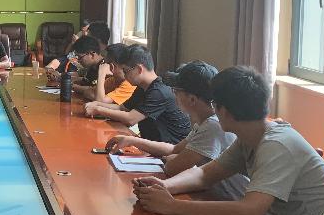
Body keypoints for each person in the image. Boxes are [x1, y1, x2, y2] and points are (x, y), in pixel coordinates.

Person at [132, 66, 324, 215]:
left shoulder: (276, 144)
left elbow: (248, 213)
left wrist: (172, 206)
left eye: (214, 104)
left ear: (223, 111)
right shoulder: (250, 136)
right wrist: (163, 187)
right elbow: (204, 175)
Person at [105, 61, 247, 196]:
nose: (174, 95)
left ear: (192, 99)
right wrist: (132, 141)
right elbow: (175, 149)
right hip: (210, 194)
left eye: (176, 91)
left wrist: (174, 159)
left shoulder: (213, 125)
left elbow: (172, 168)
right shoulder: (204, 121)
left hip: (226, 200)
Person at [87, 44, 190, 144]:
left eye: (126, 71)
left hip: (169, 150)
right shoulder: (142, 87)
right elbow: (123, 108)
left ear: (139, 69)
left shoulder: (159, 92)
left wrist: (98, 109)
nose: (124, 75)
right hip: (151, 145)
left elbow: (130, 119)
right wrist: (97, 104)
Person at [69, 35, 106, 102]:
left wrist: (71, 86)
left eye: (80, 57)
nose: (78, 61)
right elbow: (86, 81)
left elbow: (94, 90)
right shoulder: (92, 66)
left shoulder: (104, 68)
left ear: (91, 54)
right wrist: (64, 78)